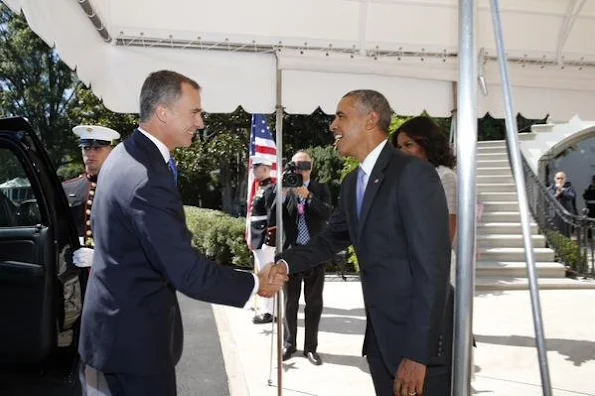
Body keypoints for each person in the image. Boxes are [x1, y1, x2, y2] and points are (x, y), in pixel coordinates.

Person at [78, 70, 286, 396]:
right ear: (163, 112)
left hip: (113, 333)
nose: (201, 122)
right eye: (194, 112)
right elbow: (187, 272)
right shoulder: (146, 177)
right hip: (136, 346)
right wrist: (257, 283)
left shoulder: (123, 155)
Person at [269, 90, 452, 396]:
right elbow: (330, 239)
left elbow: (432, 268)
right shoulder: (355, 182)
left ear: (371, 120)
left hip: (416, 348)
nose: (332, 126)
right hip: (380, 343)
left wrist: (418, 353)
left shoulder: (412, 173)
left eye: (341, 116)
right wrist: (285, 264)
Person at [277, 150, 333, 365]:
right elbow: (274, 214)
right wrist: (282, 192)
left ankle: (311, 348)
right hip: (292, 253)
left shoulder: (320, 188)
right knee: (290, 302)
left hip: (315, 253)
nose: (302, 169)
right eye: (297, 165)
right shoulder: (285, 187)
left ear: (313, 166)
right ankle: (289, 344)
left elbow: (328, 213)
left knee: (314, 303)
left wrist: (307, 196)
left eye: (306, 165)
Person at [63, 125, 120, 270]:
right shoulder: (67, 188)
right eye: (86, 148)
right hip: (74, 279)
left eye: (97, 148)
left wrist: (102, 256)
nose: (90, 154)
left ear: (111, 151)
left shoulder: (125, 189)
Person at [249, 155, 277, 324]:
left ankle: (269, 311)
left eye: (256, 167)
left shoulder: (270, 189)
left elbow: (272, 218)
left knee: (268, 276)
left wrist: (270, 241)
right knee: (263, 274)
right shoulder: (262, 188)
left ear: (265, 168)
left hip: (264, 240)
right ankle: (267, 308)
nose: (253, 170)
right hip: (258, 239)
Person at [548, 171, 578, 237]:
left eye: (562, 178)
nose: (560, 180)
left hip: (566, 214)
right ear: (555, 179)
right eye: (558, 178)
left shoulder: (569, 188)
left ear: (565, 179)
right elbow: (549, 198)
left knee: (566, 233)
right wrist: (557, 194)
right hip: (554, 214)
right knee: (555, 232)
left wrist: (562, 191)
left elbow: (571, 196)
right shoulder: (551, 188)